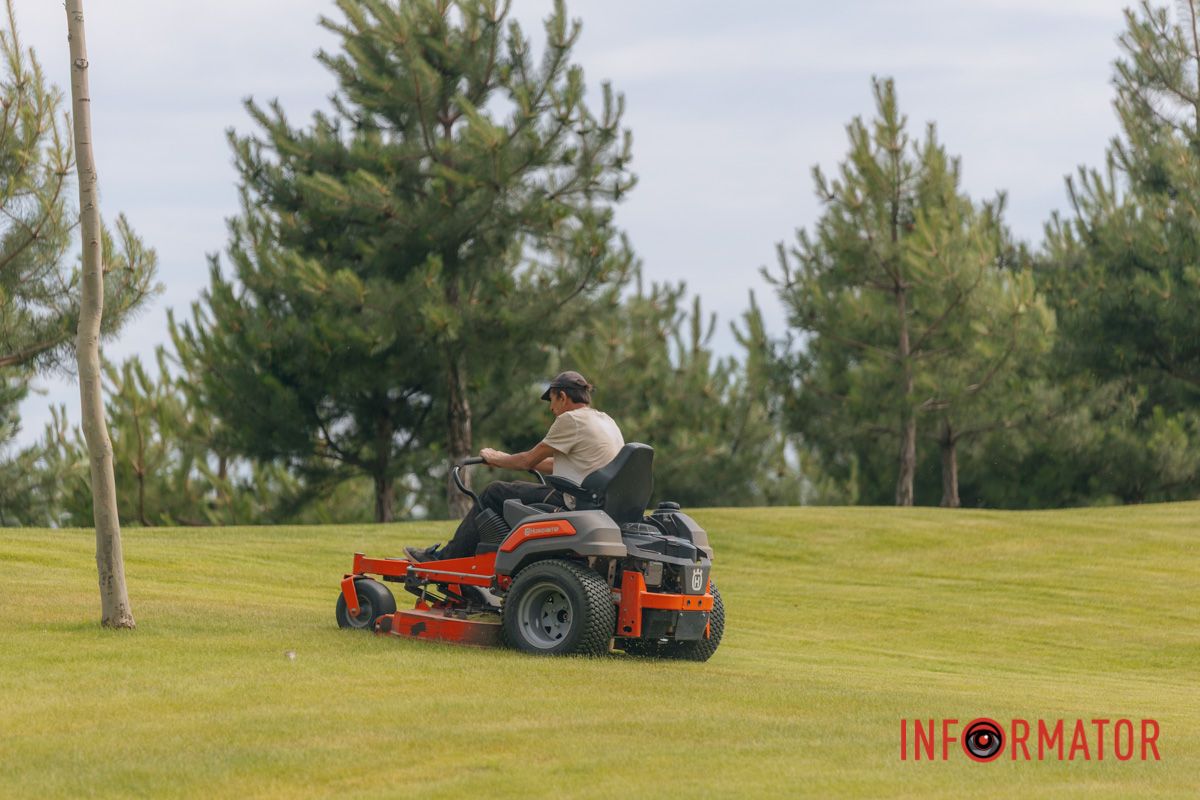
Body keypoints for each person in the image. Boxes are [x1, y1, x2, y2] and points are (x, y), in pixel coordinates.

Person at [403, 370, 624, 562]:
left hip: (577, 502)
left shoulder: (571, 420)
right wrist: (509, 458)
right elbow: (563, 465)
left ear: (563, 397)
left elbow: (528, 460)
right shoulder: (605, 420)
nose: (552, 409)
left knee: (494, 491)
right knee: (517, 488)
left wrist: (496, 458)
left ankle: (445, 558)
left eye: (552, 401)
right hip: (600, 502)